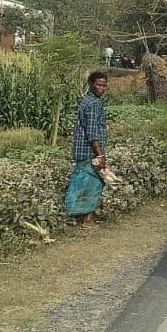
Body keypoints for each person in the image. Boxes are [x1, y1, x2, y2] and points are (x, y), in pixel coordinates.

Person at [65, 71, 110, 229]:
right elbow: (92, 132)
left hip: (83, 151)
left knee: (81, 183)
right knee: (95, 183)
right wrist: (100, 154)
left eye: (104, 85)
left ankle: (74, 217)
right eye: (98, 85)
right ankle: (86, 220)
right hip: (90, 152)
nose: (102, 88)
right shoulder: (93, 104)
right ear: (91, 84)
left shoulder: (86, 100)